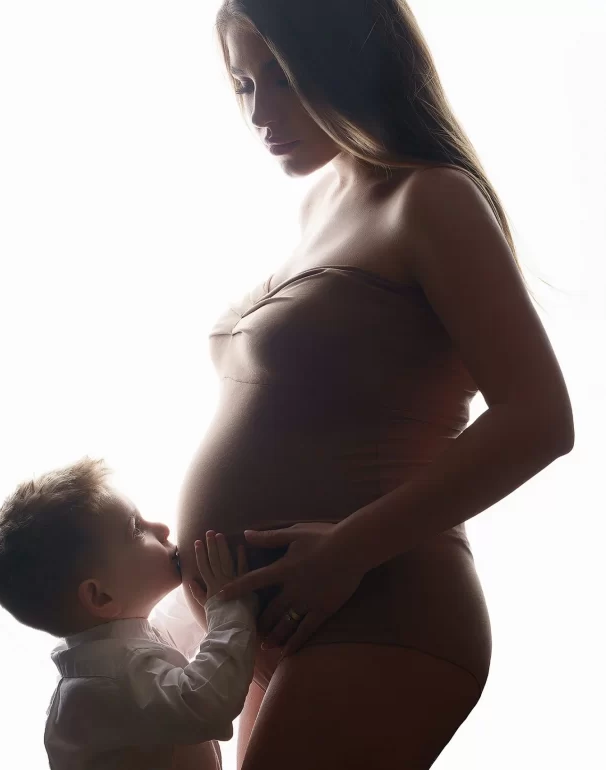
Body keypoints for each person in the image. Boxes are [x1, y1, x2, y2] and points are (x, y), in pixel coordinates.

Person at [175, 2, 575, 768]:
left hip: (384, 612)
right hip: (278, 623)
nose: (261, 111)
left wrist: (347, 551)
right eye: (242, 85)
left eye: (282, 79)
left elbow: (539, 418)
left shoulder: (431, 197)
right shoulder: (320, 200)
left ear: (347, 60)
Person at [0, 456, 260, 770]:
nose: (163, 528)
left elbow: (171, 632)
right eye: (137, 529)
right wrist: (229, 604)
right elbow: (205, 701)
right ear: (100, 596)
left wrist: (205, 584)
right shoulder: (107, 684)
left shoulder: (114, 651)